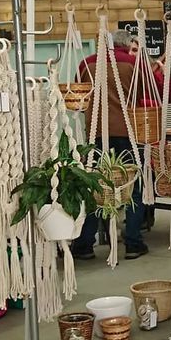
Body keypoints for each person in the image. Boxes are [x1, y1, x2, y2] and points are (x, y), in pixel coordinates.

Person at [71, 29, 149, 260]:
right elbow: (143, 94)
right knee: (133, 185)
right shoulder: (131, 63)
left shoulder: (87, 64)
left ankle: (84, 244)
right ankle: (133, 242)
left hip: (95, 133)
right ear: (124, 46)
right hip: (127, 132)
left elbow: (79, 93)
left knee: (95, 186)